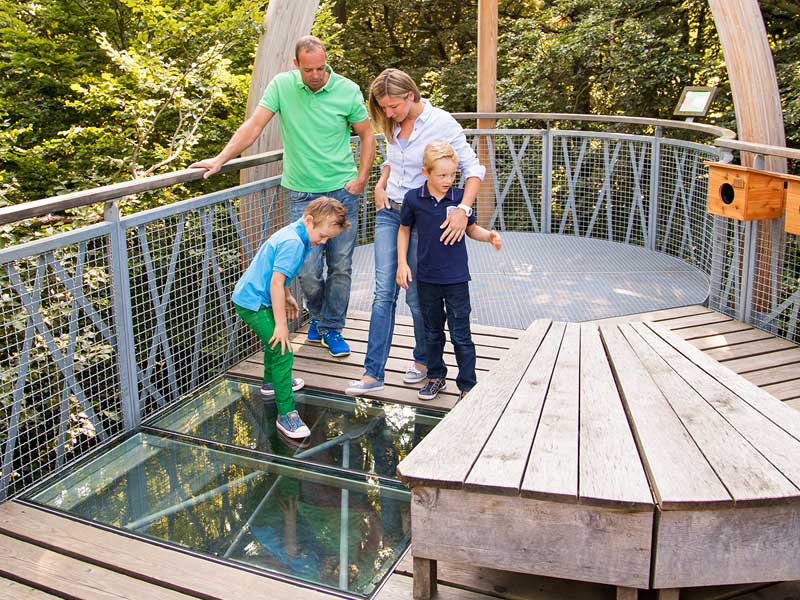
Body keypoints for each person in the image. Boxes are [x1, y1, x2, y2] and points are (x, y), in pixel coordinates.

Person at [192, 35, 375, 358]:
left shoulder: (347, 90)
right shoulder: (282, 86)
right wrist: (221, 159)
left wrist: (361, 179)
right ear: (296, 65)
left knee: (341, 265)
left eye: (321, 68)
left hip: (342, 191)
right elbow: (254, 126)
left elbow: (366, 133)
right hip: (303, 194)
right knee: (305, 269)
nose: (316, 75)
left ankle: (331, 328)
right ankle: (318, 318)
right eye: (309, 70)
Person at [345, 68, 485, 396]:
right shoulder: (391, 122)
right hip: (390, 212)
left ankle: (423, 360)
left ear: (411, 95)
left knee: (415, 293)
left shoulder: (442, 123)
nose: (388, 113)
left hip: (422, 219)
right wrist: (380, 183)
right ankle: (372, 372)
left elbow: (473, 168)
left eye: (393, 106)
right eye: (383, 107)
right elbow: (394, 161)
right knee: (383, 291)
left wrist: (463, 211)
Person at [232, 197, 350, 438]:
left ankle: (270, 384)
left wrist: (287, 296)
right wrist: (281, 325)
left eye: (328, 238)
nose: (323, 242)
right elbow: (275, 282)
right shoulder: (294, 243)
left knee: (274, 346)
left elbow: (278, 275)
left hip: (254, 297)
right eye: (323, 236)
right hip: (254, 303)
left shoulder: (298, 234)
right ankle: (286, 414)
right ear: (309, 220)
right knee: (283, 349)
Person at [396, 142, 502, 401]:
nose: (448, 180)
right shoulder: (413, 199)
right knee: (432, 332)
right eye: (441, 175)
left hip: (456, 279)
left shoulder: (459, 199)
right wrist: (402, 263)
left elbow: (471, 228)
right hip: (427, 278)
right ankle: (435, 378)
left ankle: (467, 385)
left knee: (461, 333)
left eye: (452, 175)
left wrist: (488, 236)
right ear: (426, 172)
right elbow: (404, 230)